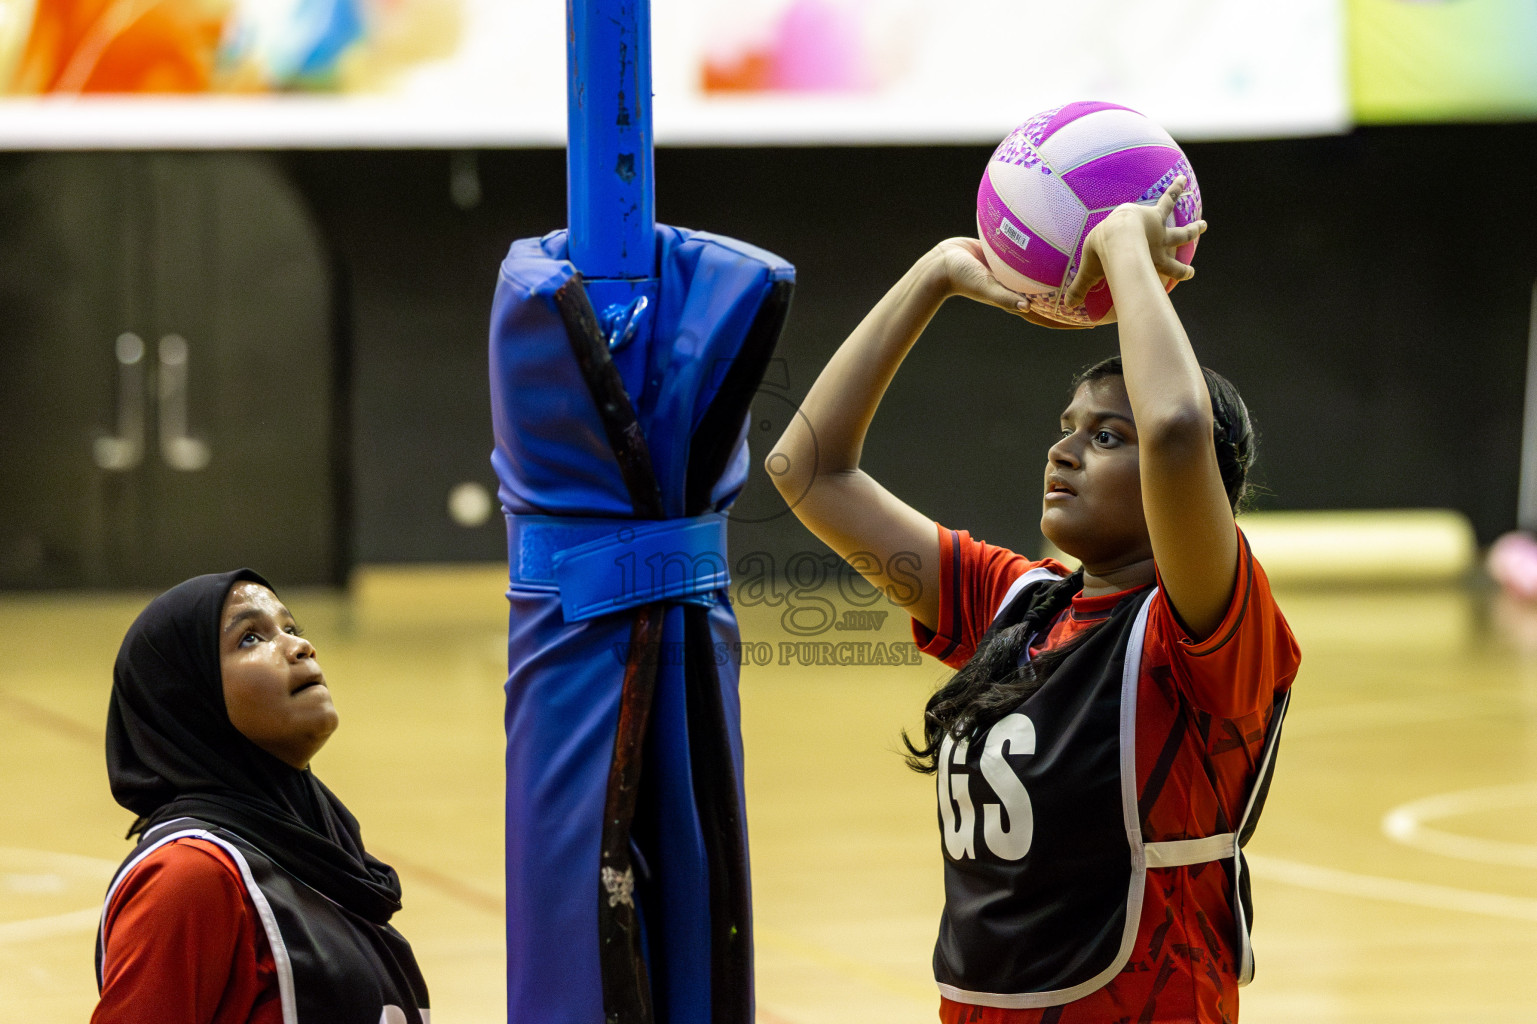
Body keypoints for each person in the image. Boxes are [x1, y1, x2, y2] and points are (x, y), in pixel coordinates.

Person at [767, 179, 1300, 1023]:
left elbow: (1174, 429)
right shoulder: (1013, 603)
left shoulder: (1200, 630)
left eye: (1105, 435)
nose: (1063, 450)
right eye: (1068, 424)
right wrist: (935, 274)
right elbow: (807, 471)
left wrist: (1125, 243)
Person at [93, 569, 430, 1024]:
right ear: (191, 700)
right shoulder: (188, 875)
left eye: (291, 629)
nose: (299, 647)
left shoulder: (323, 847)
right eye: (250, 638)